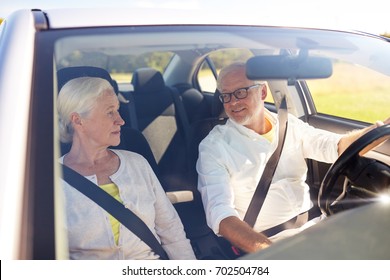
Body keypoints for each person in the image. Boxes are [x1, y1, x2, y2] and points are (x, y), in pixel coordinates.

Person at [196, 62, 390, 254]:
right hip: (269, 243)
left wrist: (381, 129)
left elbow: (336, 147)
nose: (233, 102)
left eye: (240, 92)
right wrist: (274, 255)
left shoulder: (290, 125)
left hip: (318, 227)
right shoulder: (214, 147)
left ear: (263, 92)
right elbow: (221, 216)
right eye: (226, 96)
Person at [57, 76, 196, 260]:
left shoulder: (137, 164)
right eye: (109, 112)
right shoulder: (53, 181)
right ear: (78, 120)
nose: (121, 120)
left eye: (118, 110)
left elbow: (172, 233)